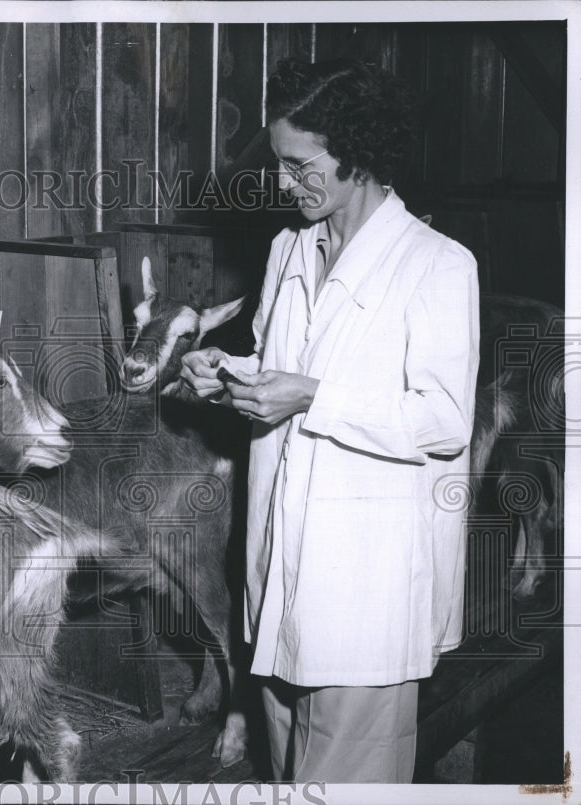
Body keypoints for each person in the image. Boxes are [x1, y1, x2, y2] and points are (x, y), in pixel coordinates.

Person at [180, 58, 479, 784]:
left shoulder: (438, 265)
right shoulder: (289, 249)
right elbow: (278, 366)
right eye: (279, 163)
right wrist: (225, 377)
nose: (283, 183)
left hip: (365, 592)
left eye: (299, 164)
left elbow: (443, 420)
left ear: (359, 152)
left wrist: (314, 395)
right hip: (282, 576)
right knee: (288, 777)